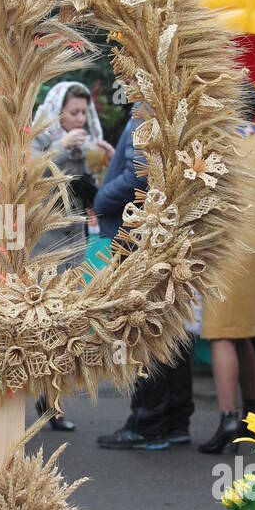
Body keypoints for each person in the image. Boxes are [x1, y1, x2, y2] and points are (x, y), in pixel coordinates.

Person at [94, 111, 195, 450]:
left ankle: (148, 421)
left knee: (145, 323)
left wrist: (103, 199)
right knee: (170, 321)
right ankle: (176, 418)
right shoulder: (175, 103)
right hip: (168, 234)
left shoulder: (147, 110)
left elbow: (141, 174)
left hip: (140, 234)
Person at [31, 81, 114, 431]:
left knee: (65, 326)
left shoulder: (90, 141)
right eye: (73, 112)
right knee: (37, 323)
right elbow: (28, 176)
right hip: (43, 242)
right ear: (57, 112)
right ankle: (11, 402)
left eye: (84, 112)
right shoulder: (41, 138)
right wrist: (60, 147)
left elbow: (99, 191)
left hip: (75, 241)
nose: (80, 119)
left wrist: (107, 161)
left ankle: (53, 404)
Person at [198, 81, 255, 454]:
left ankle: (228, 416)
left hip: (228, 246)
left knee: (221, 333)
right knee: (244, 332)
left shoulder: (221, 145)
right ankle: (252, 414)